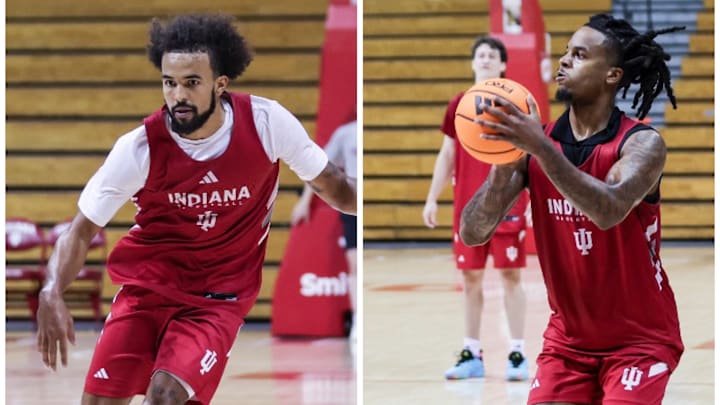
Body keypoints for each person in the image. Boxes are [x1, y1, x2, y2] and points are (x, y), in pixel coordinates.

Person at [36, 14, 356, 405]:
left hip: (219, 296)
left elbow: (335, 188)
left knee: (167, 396)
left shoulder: (267, 123)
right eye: (169, 83)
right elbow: (81, 230)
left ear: (220, 84)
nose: (178, 96)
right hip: (148, 288)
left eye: (191, 83)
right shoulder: (139, 148)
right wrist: (52, 290)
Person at [460, 14, 684, 404]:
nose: (564, 61)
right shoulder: (537, 147)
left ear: (612, 75)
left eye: (579, 55)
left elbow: (609, 209)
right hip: (568, 343)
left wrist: (540, 149)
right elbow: (473, 231)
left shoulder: (641, 144)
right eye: (566, 52)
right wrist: (504, 162)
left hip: (640, 341)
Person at [423, 36, 530, 381]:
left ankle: (517, 352)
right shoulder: (459, 104)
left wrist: (533, 201)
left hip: (507, 203)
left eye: (491, 55)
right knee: (470, 279)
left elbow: (534, 155)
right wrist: (432, 196)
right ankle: (472, 352)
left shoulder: (516, 102)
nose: (484, 59)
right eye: (480, 54)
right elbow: (447, 154)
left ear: (502, 65)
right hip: (468, 208)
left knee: (511, 277)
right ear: (473, 63)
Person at [291, 119, 358, 339]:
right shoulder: (346, 132)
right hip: (352, 203)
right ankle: (358, 320)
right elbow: (319, 169)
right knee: (355, 264)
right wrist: (304, 202)